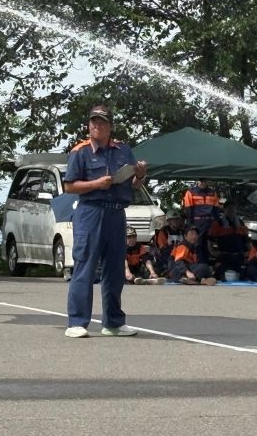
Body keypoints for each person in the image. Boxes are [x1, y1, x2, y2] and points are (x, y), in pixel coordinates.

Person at [63, 104, 148, 338]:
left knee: (114, 269)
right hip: (91, 210)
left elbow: (135, 185)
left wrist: (140, 174)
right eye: (93, 121)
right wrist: (96, 184)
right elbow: (69, 186)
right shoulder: (80, 151)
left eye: (101, 122)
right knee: (85, 266)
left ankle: (113, 322)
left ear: (110, 126)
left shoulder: (122, 149)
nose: (96, 125)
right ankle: (77, 322)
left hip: (116, 212)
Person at [208, 200, 250, 281]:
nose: (232, 211)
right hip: (224, 255)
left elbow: (246, 239)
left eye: (233, 209)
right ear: (224, 210)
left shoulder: (240, 223)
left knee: (244, 274)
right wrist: (212, 252)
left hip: (239, 255)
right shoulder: (218, 223)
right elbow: (210, 240)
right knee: (222, 273)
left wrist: (250, 251)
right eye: (229, 209)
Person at [182, 178, 221, 264]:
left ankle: (205, 265)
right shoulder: (191, 192)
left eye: (204, 181)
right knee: (197, 244)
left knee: (207, 245)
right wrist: (190, 224)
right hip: (197, 223)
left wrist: (216, 222)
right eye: (201, 180)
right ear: (197, 181)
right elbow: (188, 209)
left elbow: (216, 208)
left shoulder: (212, 192)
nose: (203, 182)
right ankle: (198, 264)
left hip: (209, 223)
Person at [153, 208, 186, 274]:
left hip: (181, 254)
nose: (176, 221)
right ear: (169, 221)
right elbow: (162, 249)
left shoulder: (182, 232)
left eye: (177, 219)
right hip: (168, 256)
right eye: (173, 220)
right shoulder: (163, 232)